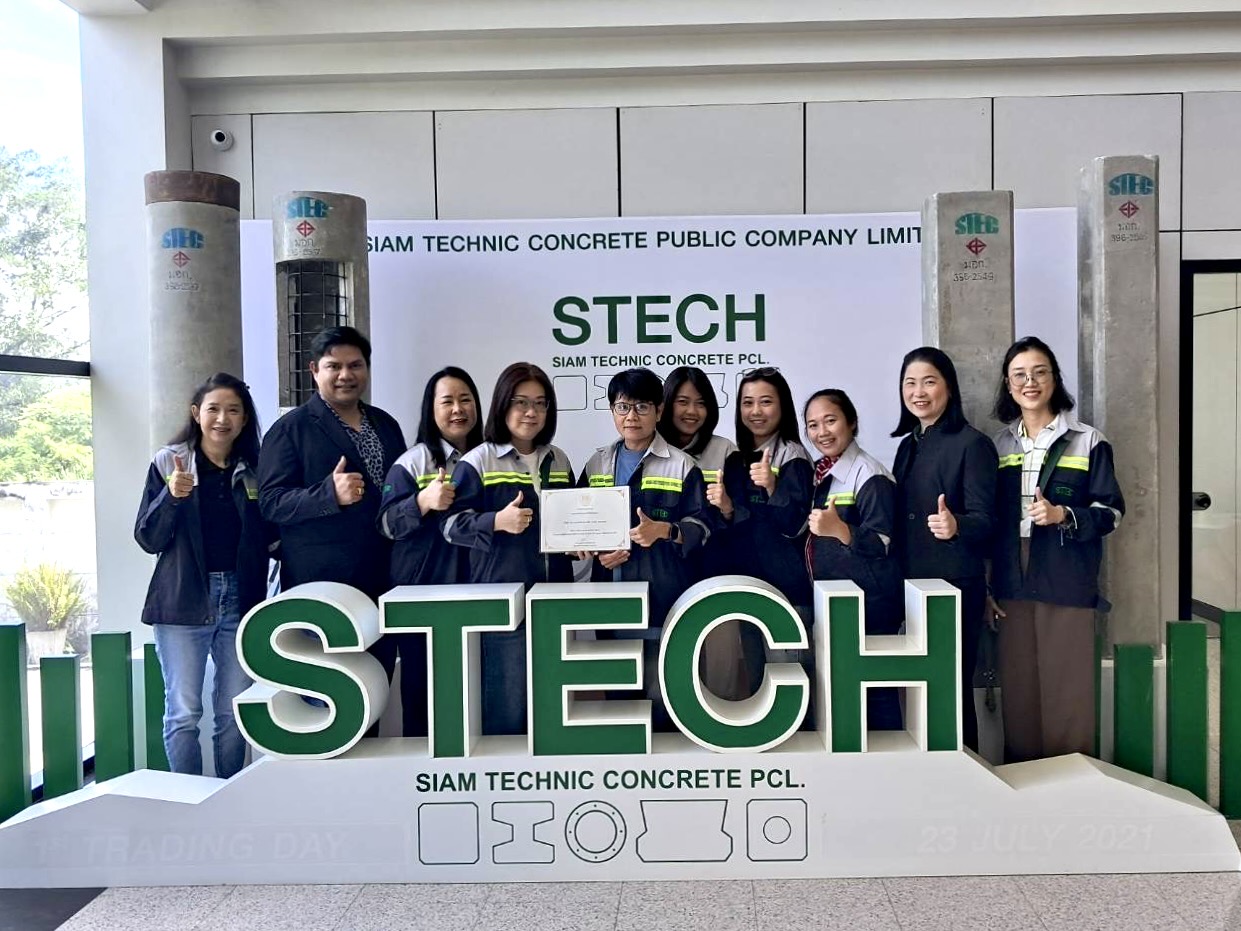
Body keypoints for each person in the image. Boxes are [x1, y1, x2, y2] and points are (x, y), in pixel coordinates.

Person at [135, 373, 276, 778]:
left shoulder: (255, 469)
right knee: (183, 712)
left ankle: (227, 795)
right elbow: (147, 537)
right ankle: (189, 798)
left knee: (233, 710)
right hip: (183, 600)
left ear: (245, 419)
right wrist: (171, 496)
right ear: (196, 413)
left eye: (233, 410)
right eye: (213, 409)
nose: (222, 419)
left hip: (241, 600)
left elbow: (270, 536)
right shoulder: (169, 462)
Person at [990, 336, 1124, 762]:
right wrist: (989, 584)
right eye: (1019, 375)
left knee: (1068, 688)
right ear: (1008, 384)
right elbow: (990, 521)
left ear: (1054, 378)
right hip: (1012, 574)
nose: (1029, 382)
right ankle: (1025, 778)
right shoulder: (999, 445)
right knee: (1019, 687)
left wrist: (1063, 514)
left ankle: (1072, 780)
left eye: (1039, 372)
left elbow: (1111, 512)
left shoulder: (1087, 440)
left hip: (1065, 570)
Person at [257, 326, 407, 679]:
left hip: (385, 579)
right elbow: (271, 503)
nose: (345, 375)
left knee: (377, 684)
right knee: (332, 690)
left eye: (355, 365)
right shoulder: (290, 429)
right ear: (314, 370)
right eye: (334, 366)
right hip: (323, 588)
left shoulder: (386, 425)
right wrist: (328, 494)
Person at [444, 362, 575, 735]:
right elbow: (449, 526)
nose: (531, 412)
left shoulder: (558, 459)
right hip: (503, 604)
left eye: (540, 403)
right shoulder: (478, 461)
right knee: (508, 707)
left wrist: (580, 544)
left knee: (553, 708)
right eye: (521, 402)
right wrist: (495, 522)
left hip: (555, 603)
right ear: (502, 405)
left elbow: (571, 521)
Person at [579, 368, 710, 727]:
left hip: (663, 597)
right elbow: (579, 526)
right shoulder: (596, 463)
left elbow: (703, 528)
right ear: (612, 411)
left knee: (663, 698)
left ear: (659, 410)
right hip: (610, 598)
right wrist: (598, 551)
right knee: (619, 702)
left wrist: (664, 530)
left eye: (641, 407)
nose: (631, 416)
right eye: (622, 407)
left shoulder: (682, 466)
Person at [891, 347, 997, 753]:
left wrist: (956, 526)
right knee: (922, 688)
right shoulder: (908, 445)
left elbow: (987, 521)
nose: (918, 392)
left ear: (949, 388)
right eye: (910, 383)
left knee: (950, 688)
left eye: (929, 382)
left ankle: (965, 769)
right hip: (911, 584)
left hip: (954, 586)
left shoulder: (973, 444)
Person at [377, 366, 483, 737]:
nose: (458, 409)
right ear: (431, 409)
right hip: (425, 600)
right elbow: (386, 525)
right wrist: (422, 502)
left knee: (477, 697)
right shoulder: (413, 462)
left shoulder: (489, 458)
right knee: (424, 698)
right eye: (447, 401)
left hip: (480, 595)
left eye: (465, 400)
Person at [803, 388, 903, 730]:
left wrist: (841, 530)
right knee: (846, 695)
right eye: (813, 425)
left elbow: (882, 541)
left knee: (877, 692)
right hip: (838, 603)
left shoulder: (870, 474)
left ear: (852, 422)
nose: (822, 432)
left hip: (870, 605)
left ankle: (889, 759)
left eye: (830, 421)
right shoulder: (820, 473)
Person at [715, 367, 814, 691]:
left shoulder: (793, 457)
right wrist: (726, 507)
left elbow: (796, 525)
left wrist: (773, 487)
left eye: (766, 401)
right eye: (748, 402)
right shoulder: (736, 459)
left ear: (782, 406)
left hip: (787, 591)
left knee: (789, 685)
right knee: (760, 684)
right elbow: (738, 524)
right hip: (748, 587)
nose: (756, 411)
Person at [657, 366, 745, 699]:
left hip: (715, 569)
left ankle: (722, 715)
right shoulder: (652, 449)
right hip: (666, 568)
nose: (692, 411)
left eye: (701, 403)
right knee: (665, 663)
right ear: (666, 404)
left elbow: (741, 517)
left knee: (720, 659)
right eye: (683, 401)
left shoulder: (724, 451)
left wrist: (727, 507)